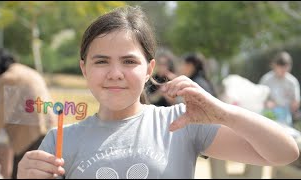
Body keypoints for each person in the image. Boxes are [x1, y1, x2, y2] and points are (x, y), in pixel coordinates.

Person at [17, 6, 299, 179]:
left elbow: (284, 152)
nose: (115, 73)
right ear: (84, 68)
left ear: (149, 68)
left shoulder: (181, 123)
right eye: (101, 61)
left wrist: (223, 112)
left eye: (129, 61)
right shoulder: (60, 139)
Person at [0, 47, 57, 179]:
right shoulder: (25, 71)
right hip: (47, 132)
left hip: (31, 138)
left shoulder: (9, 78)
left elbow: (0, 117)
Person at [259, 51, 300, 127]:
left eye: (286, 69)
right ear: (274, 65)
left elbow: (296, 101)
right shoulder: (266, 79)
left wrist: (293, 106)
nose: (283, 72)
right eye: (281, 69)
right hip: (268, 115)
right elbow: (259, 98)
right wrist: (267, 103)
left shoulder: (292, 82)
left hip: (286, 117)